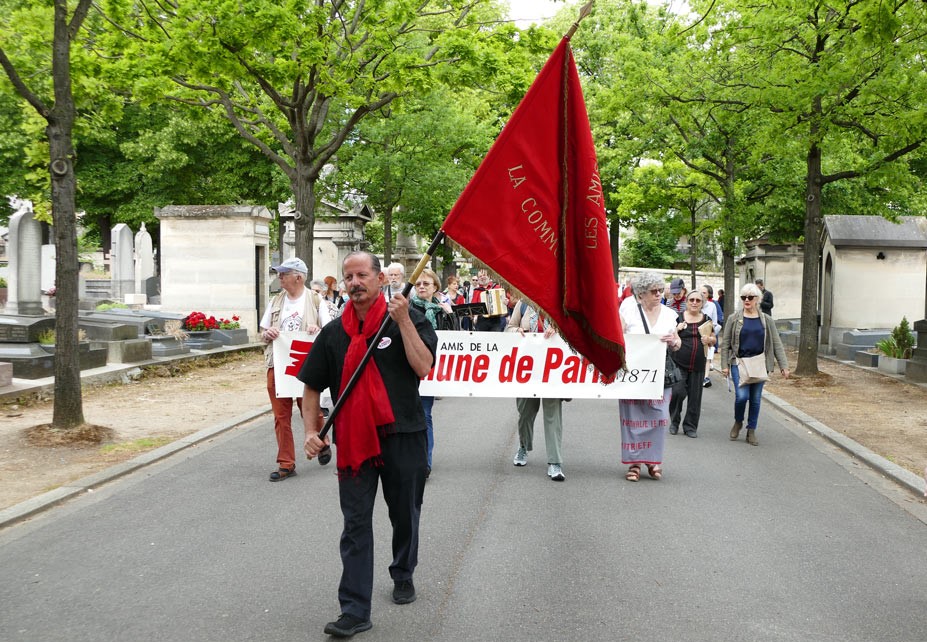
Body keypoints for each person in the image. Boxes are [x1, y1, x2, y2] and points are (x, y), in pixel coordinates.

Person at [300, 251, 437, 639]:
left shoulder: (409, 318)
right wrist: (312, 431)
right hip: (356, 441)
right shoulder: (333, 333)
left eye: (362, 275)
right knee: (355, 524)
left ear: (380, 279)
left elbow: (423, 367)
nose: (355, 282)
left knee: (405, 514)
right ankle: (354, 609)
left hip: (404, 435)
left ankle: (403, 571)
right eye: (349, 277)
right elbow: (311, 385)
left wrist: (404, 321)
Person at [258, 257, 322, 482]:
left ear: (299, 277)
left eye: (284, 273)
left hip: (305, 364)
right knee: (281, 415)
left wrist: (317, 329)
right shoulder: (276, 301)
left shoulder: (315, 300)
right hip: (278, 364)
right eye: (279, 273)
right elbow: (263, 330)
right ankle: (286, 463)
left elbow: (331, 330)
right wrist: (267, 334)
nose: (280, 277)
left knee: (308, 407)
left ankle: (319, 438)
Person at [619, 271, 682, 482]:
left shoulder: (669, 314)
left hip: (661, 373)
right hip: (634, 373)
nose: (658, 295)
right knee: (633, 418)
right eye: (653, 291)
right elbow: (618, 339)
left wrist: (673, 341)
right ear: (641, 294)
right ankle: (634, 464)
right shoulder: (628, 311)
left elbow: (677, 343)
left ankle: (653, 460)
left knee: (659, 417)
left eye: (660, 290)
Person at [721, 283, 790, 446]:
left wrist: (783, 365)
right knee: (741, 397)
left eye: (750, 297)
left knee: (756, 399)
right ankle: (738, 421)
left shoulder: (766, 320)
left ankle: (751, 430)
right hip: (739, 362)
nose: (747, 300)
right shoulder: (734, 318)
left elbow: (776, 343)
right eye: (743, 297)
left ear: (757, 299)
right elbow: (725, 343)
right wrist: (724, 364)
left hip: (759, 363)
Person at [506, 300, 566, 481]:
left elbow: (573, 331)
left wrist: (558, 331)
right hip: (527, 369)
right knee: (525, 411)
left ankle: (555, 462)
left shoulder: (560, 303)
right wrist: (516, 331)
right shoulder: (523, 304)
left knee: (553, 414)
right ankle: (523, 446)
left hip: (553, 370)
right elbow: (509, 327)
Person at [410, 268, 454, 477]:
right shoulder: (406, 309)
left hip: (430, 373)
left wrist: (451, 314)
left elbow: (457, 341)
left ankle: (424, 463)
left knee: (425, 415)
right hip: (406, 370)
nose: (421, 287)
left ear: (435, 287)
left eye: (426, 284)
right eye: (418, 284)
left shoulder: (442, 310)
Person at [669, 289, 716, 438]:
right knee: (677, 392)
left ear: (702, 303)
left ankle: (690, 426)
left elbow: (714, 338)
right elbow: (668, 336)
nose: (694, 303)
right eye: (692, 300)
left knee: (695, 398)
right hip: (678, 363)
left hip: (698, 364)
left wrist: (709, 340)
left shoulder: (706, 319)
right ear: (686, 302)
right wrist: (677, 329)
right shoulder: (678, 318)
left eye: (698, 300)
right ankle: (674, 421)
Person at [699, 284, 721, 388]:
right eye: (700, 292)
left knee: (707, 357)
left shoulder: (712, 306)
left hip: (708, 333)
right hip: (696, 334)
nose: (701, 295)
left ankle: (705, 377)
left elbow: (715, 322)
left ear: (708, 295)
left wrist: (712, 336)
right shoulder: (696, 303)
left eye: (704, 293)